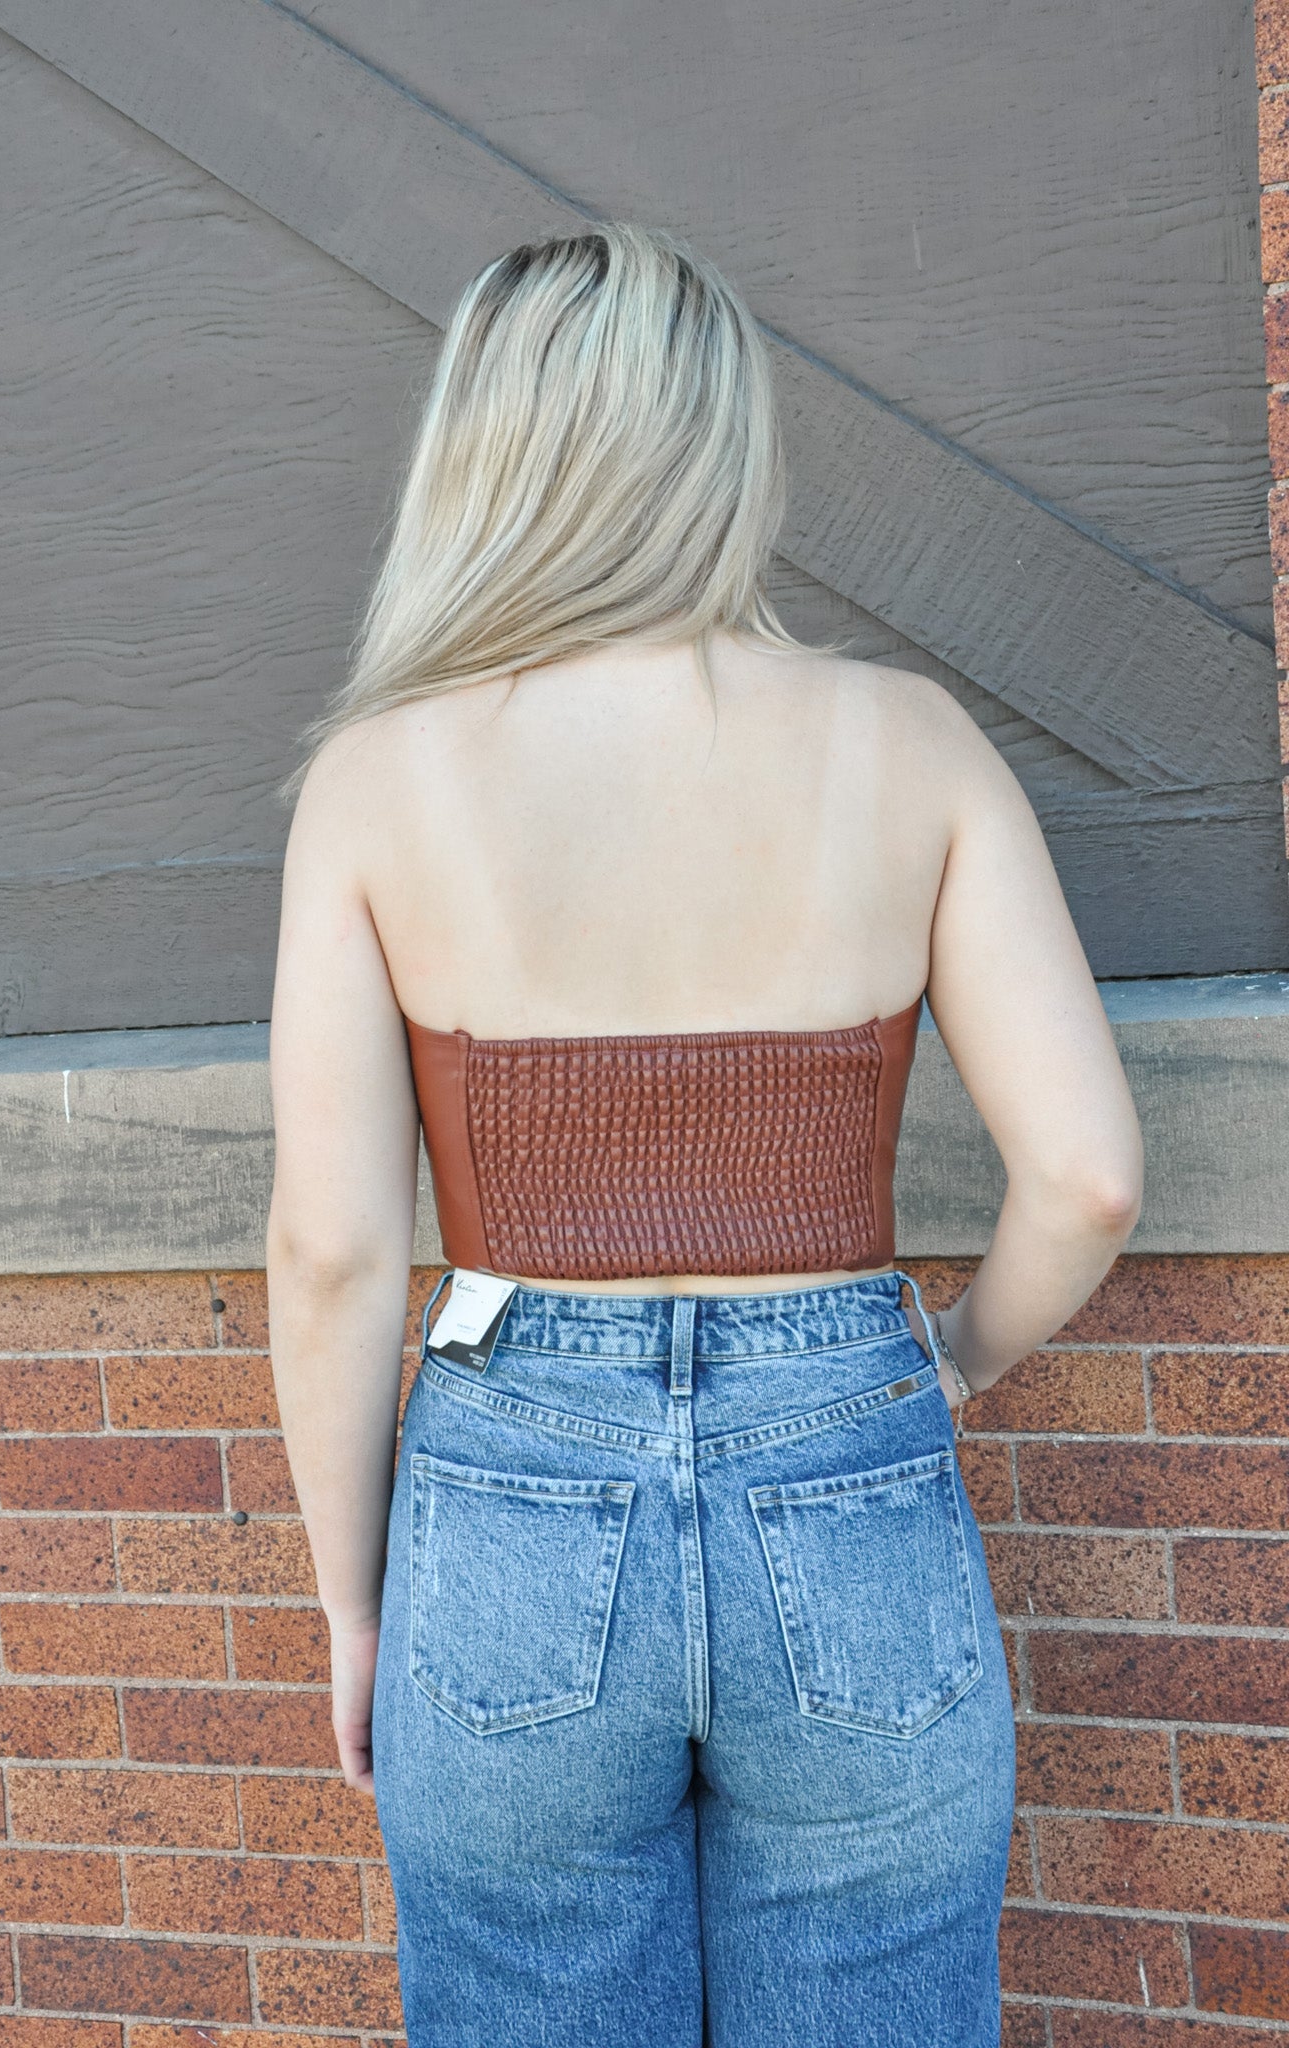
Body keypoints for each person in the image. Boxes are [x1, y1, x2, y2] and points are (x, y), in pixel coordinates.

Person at [265, 222, 1144, 2048]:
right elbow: (1086, 1179)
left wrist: (358, 1607)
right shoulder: (910, 742)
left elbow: (336, 1251)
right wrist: (949, 1360)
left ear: (483, 451)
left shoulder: (381, 779)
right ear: (722, 444)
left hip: (511, 1488)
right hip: (846, 1449)